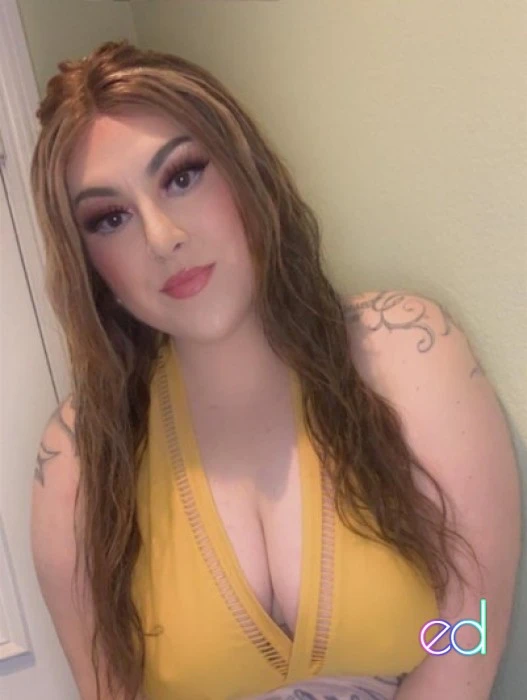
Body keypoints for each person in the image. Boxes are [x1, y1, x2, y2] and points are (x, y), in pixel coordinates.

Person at [29, 40, 520, 700]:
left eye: (182, 176)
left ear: (245, 171)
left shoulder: (405, 351)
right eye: (110, 217)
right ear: (90, 266)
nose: (162, 237)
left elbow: (471, 628)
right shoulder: (79, 455)